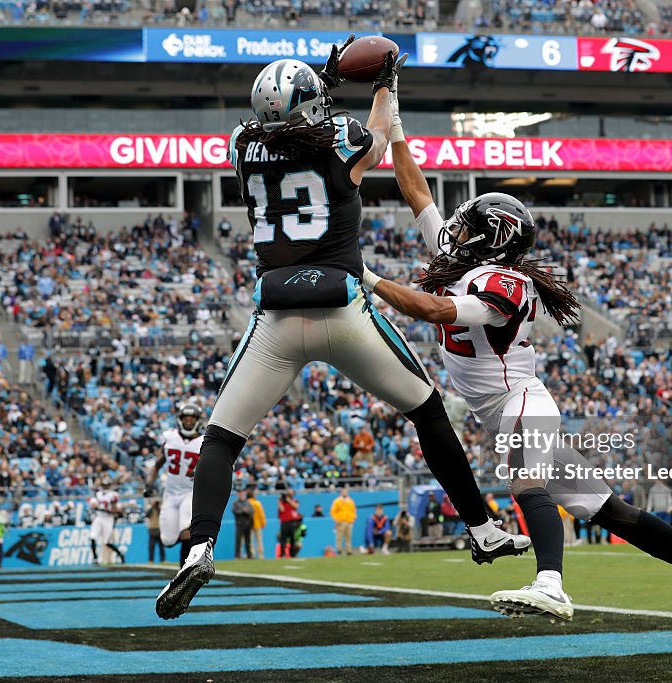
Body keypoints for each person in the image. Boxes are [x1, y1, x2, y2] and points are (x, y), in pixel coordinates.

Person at [156, 41, 528, 620]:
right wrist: (381, 82)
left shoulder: (241, 146)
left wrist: (320, 86)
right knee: (427, 411)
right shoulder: (342, 138)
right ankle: (481, 528)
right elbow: (378, 136)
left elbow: (288, 128)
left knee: (222, 438)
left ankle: (199, 546)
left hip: (276, 318)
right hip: (345, 308)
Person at [358, 100, 672, 636]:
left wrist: (360, 272)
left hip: (521, 400)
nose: (457, 224)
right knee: (612, 513)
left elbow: (431, 308)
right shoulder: (462, 259)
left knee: (527, 484)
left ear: (490, 238)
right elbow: (417, 192)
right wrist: (398, 123)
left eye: (471, 222)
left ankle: (550, 584)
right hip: (499, 410)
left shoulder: (505, 284)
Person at [146, 403, 204, 567]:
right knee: (168, 540)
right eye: (186, 418)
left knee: (186, 529)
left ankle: (184, 570)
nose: (189, 422)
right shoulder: (170, 438)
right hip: (170, 493)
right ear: (180, 419)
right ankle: (197, 543)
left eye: (192, 419)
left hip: (190, 491)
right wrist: (149, 483)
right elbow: (157, 465)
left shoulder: (203, 442)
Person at [89, 479, 126, 565]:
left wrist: (112, 511)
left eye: (107, 485)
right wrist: (95, 506)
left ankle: (120, 554)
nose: (105, 487)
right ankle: (95, 558)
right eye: (104, 485)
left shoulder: (113, 495)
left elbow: (114, 508)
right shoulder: (98, 494)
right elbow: (93, 503)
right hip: (99, 517)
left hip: (108, 518)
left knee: (107, 542)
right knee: (92, 537)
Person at [330, 488, 356, 556]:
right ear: (341, 493)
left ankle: (349, 550)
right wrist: (337, 520)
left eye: (346, 492)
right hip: (341, 521)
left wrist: (353, 519)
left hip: (349, 521)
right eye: (343, 492)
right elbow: (333, 511)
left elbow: (353, 510)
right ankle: (339, 550)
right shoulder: (337, 501)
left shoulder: (350, 501)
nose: (345, 493)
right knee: (339, 537)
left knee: (348, 537)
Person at [278, 492, 301, 558]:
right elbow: (282, 509)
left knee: (292, 539)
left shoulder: (294, 501)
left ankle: (292, 554)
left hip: (292, 522)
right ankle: (282, 554)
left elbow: (296, 507)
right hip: (284, 522)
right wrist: (279, 502)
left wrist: (288, 500)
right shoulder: (282, 502)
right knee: (283, 539)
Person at [232, 489, 254, 559]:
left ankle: (249, 555)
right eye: (240, 493)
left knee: (248, 541)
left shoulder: (247, 502)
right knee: (238, 540)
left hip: (247, 524)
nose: (241, 495)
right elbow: (235, 511)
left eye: (242, 493)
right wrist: (243, 511)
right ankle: (237, 555)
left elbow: (251, 511)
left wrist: (246, 511)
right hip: (239, 524)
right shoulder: (235, 503)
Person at [146, 498, 166, 563]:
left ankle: (163, 560)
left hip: (159, 530)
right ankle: (150, 560)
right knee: (151, 547)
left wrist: (158, 507)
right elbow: (147, 514)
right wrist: (152, 507)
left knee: (161, 547)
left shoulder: (160, 510)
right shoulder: (150, 510)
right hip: (152, 530)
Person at [248, 490, 266, 559]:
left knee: (251, 541)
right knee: (259, 541)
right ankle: (261, 555)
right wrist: (263, 523)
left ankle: (252, 554)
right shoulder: (257, 503)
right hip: (257, 524)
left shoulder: (247, 503)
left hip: (249, 525)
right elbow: (261, 514)